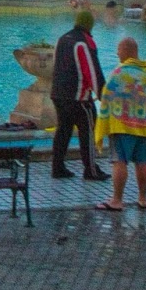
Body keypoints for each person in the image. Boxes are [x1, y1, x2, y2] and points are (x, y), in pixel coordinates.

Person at [94, 37, 146, 212]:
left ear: (126, 51)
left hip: (122, 125)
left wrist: (104, 123)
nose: (117, 53)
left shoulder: (120, 73)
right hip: (145, 124)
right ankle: (143, 198)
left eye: (119, 50)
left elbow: (107, 96)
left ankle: (116, 200)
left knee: (119, 161)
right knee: (142, 161)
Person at [50, 10, 108, 181]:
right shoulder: (84, 42)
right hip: (79, 97)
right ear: (89, 25)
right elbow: (92, 70)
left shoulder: (63, 38)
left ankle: (57, 167)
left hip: (58, 94)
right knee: (88, 132)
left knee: (63, 130)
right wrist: (103, 95)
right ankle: (91, 170)